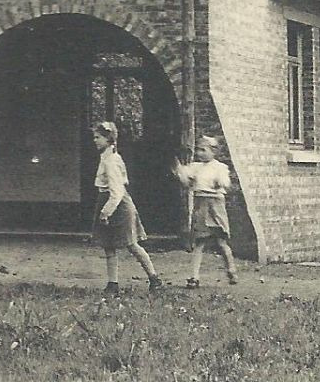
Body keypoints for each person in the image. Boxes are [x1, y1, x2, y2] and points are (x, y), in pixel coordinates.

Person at [92, 121, 164, 296]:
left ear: (109, 139)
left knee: (132, 244)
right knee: (108, 245)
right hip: (106, 199)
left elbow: (117, 191)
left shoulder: (112, 161)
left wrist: (106, 211)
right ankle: (112, 283)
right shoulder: (107, 158)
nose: (95, 140)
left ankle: (154, 278)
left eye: (98, 137)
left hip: (117, 204)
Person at [174, 135, 238, 287]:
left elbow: (225, 183)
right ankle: (194, 277)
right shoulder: (195, 167)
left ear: (213, 151)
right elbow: (187, 181)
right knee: (199, 242)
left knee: (221, 242)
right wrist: (180, 171)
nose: (200, 153)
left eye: (204, 150)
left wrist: (220, 182)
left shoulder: (220, 167)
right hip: (200, 204)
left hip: (215, 204)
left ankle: (231, 269)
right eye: (198, 150)